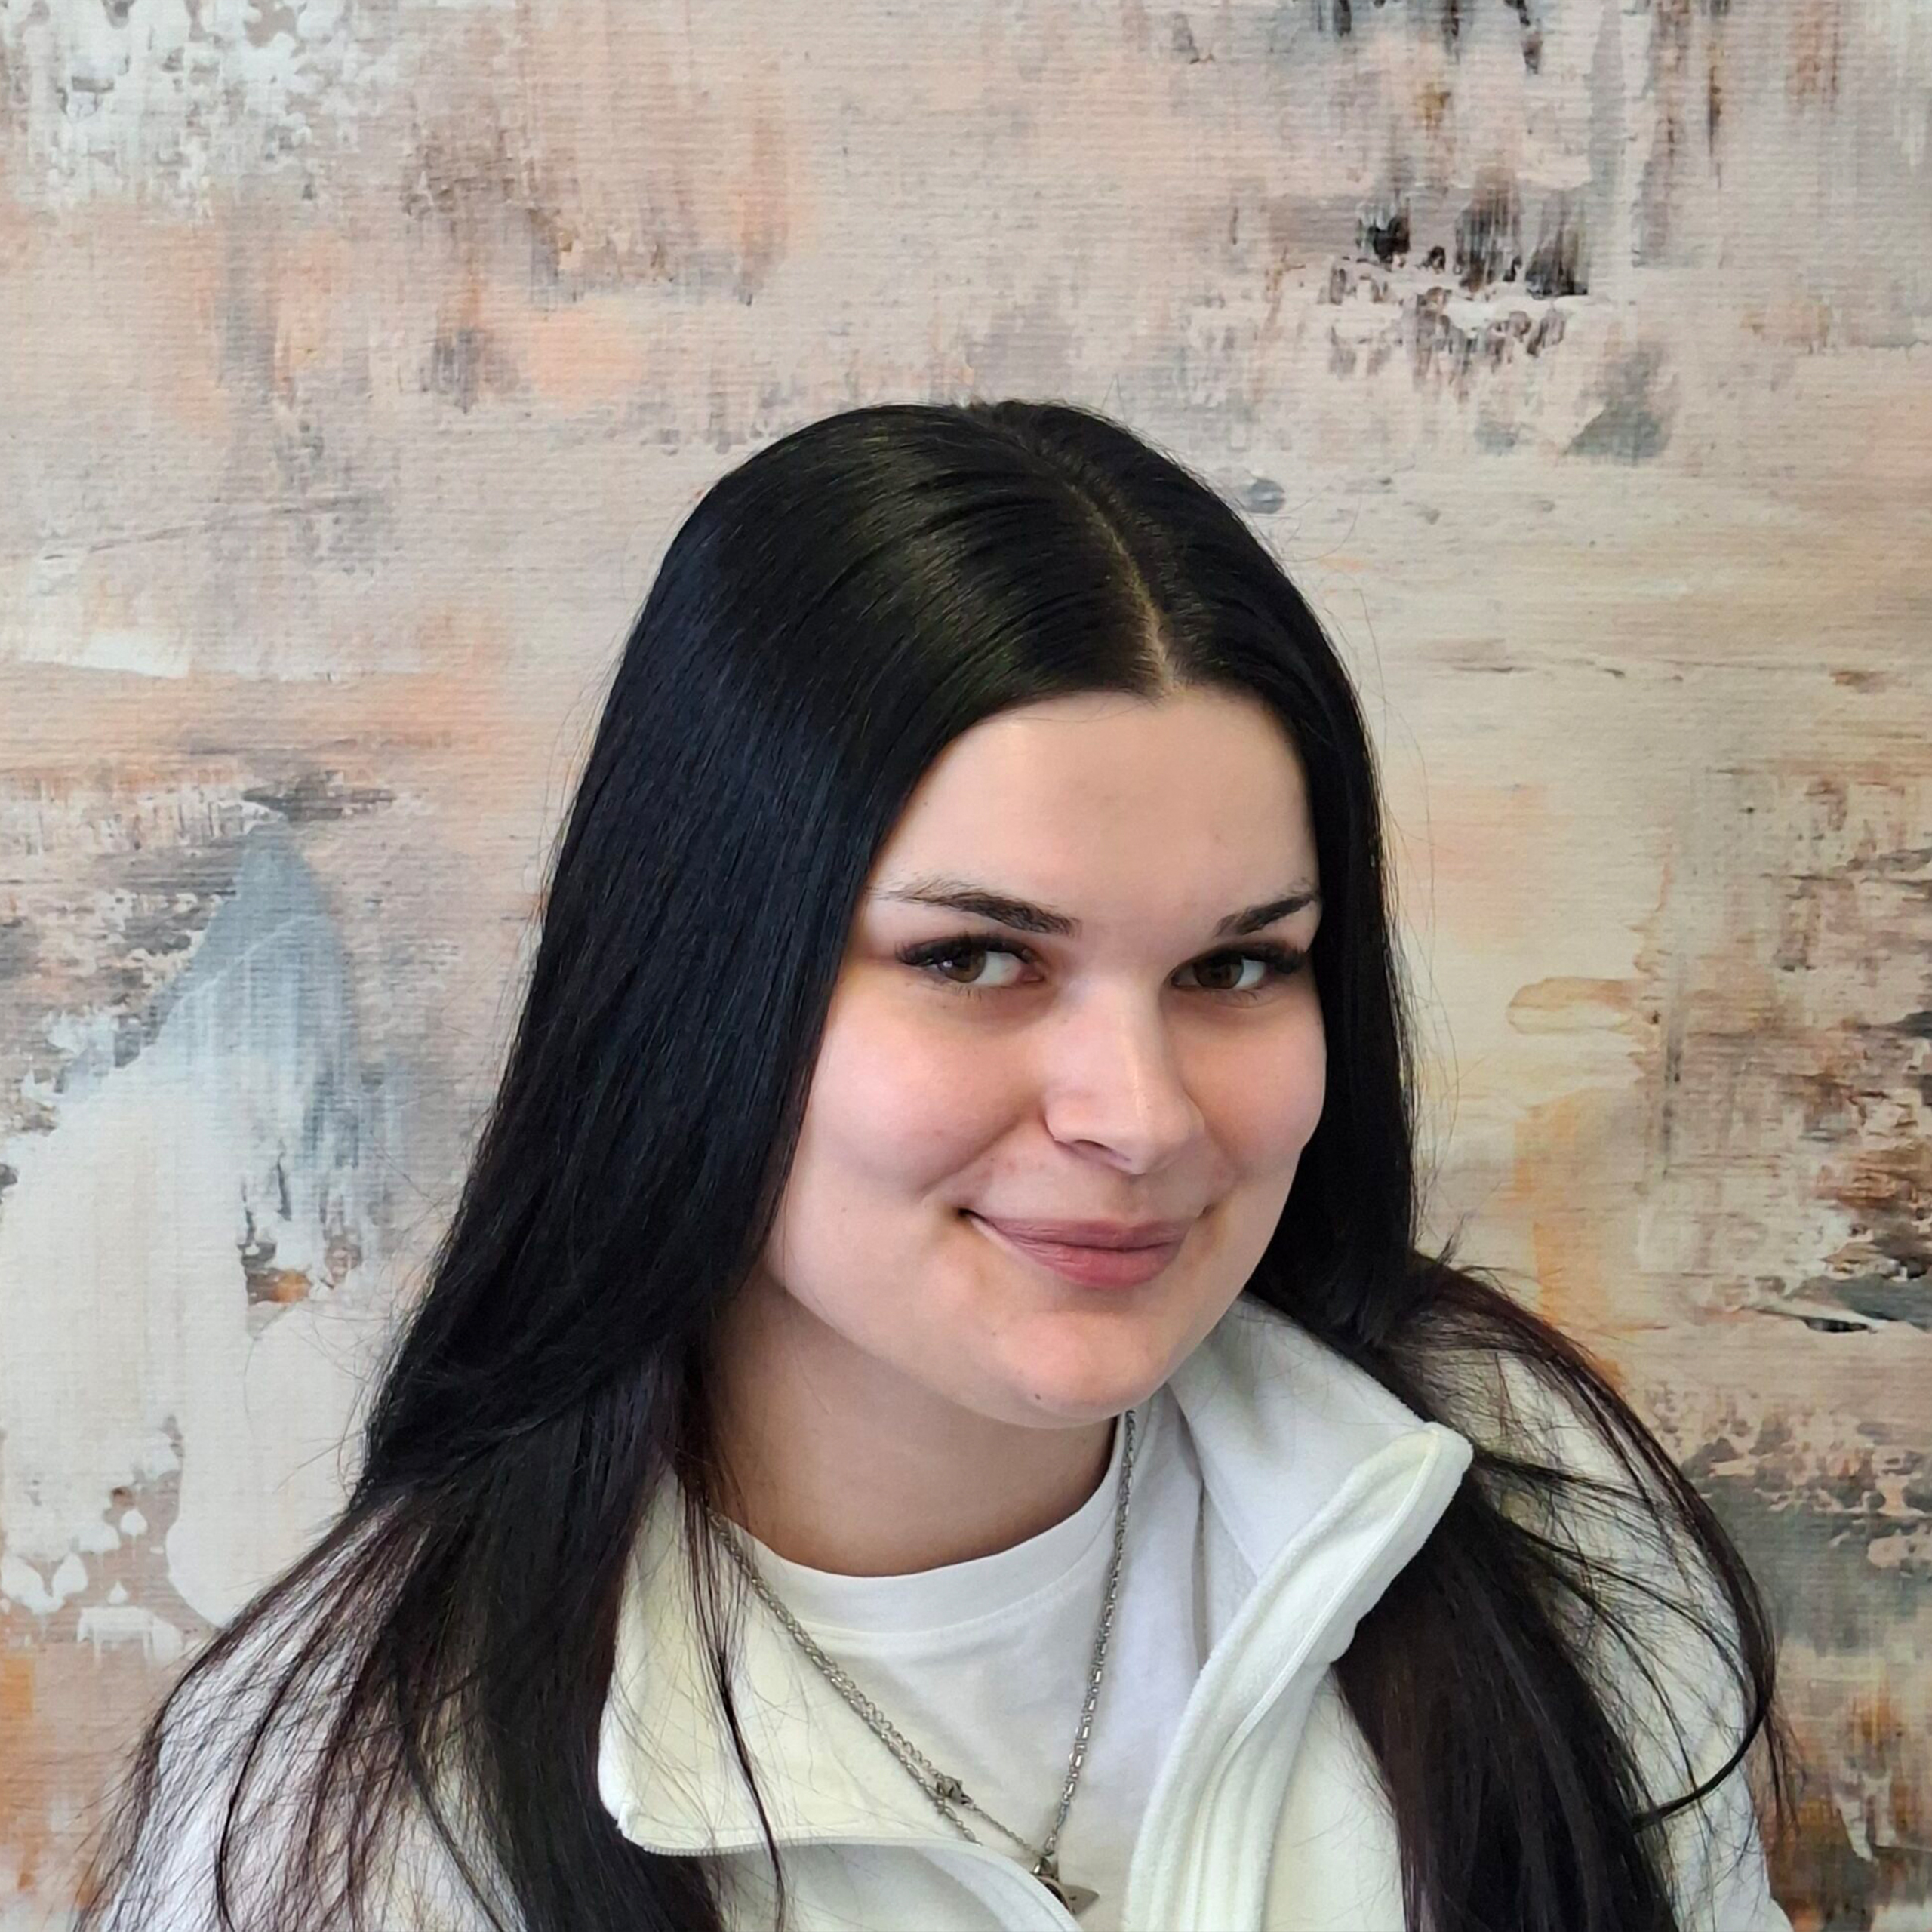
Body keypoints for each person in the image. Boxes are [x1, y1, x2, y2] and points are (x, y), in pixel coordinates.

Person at [75, 399, 1795, 1932]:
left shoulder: (1525, 1500)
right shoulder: (350, 1811)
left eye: (1235, 965)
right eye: (975, 958)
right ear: (703, 984)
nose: (1137, 1115)